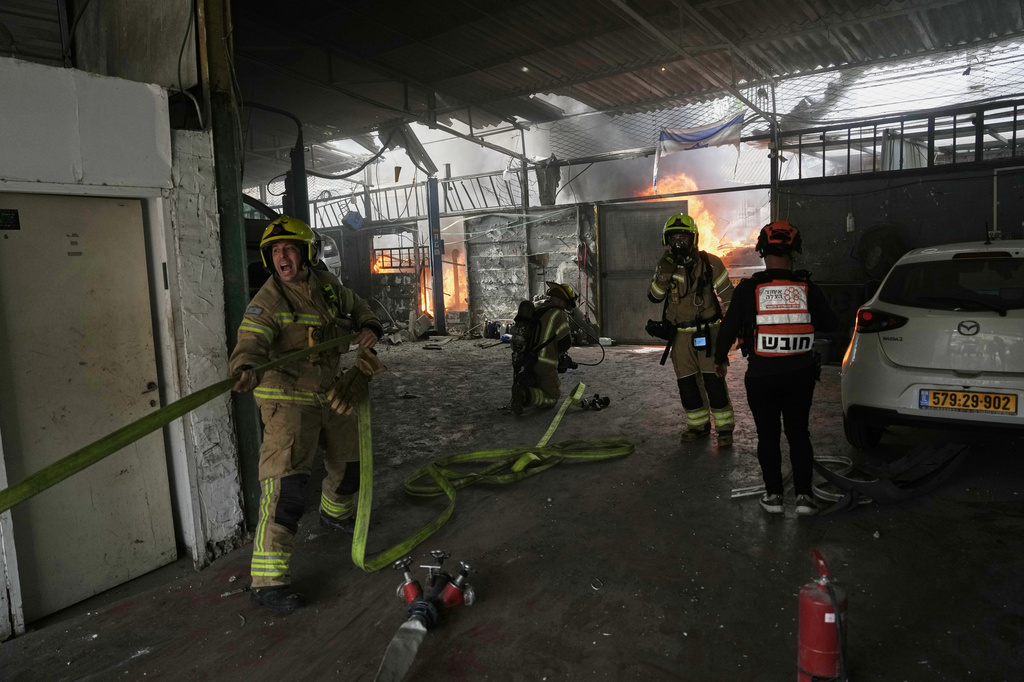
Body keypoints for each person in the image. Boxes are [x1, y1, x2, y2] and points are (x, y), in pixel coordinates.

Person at [229, 216, 383, 613]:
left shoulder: (326, 287)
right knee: (288, 490)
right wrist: (245, 368)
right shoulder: (268, 301)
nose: (283, 257)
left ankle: (334, 515)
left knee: (351, 465)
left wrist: (369, 326)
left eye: (290, 249)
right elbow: (250, 343)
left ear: (307, 253)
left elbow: (358, 304)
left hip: (328, 390)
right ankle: (268, 581)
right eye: (276, 251)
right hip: (287, 398)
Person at [713, 220, 840, 516]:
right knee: (798, 433)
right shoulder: (807, 286)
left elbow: (728, 328)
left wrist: (720, 360)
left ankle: (773, 496)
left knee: (767, 435)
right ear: (795, 251)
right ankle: (805, 498)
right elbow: (832, 325)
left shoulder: (749, 288)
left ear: (760, 250)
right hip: (800, 374)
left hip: (761, 376)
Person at [649, 214, 735, 445]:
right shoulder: (664, 266)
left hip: (709, 333)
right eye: (674, 238)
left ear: (693, 239)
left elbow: (729, 298)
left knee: (713, 383)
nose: (678, 243)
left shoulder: (710, 263)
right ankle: (698, 427)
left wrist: (733, 329)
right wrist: (664, 274)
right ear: (667, 240)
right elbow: (655, 296)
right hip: (680, 338)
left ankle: (725, 429)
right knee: (687, 385)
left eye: (683, 237)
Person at [510, 281, 575, 415]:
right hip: (545, 363)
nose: (565, 307)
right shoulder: (559, 314)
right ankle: (524, 395)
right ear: (562, 301)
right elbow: (564, 344)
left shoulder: (538, 310)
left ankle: (526, 390)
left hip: (527, 359)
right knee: (552, 396)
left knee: (538, 381)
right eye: (566, 304)